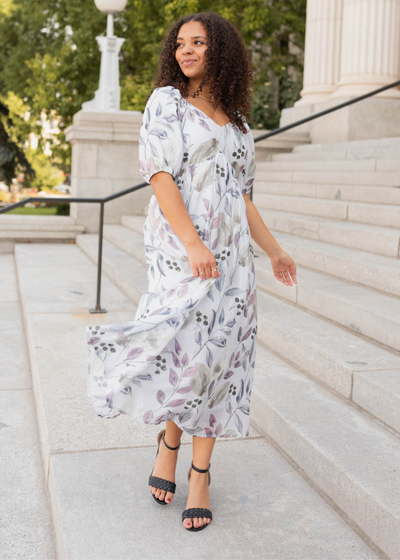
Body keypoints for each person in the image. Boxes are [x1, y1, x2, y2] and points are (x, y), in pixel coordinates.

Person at [86, 11, 297, 532]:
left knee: (222, 363)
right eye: (180, 43)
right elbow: (159, 175)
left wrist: (273, 251)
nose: (186, 51)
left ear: (220, 50)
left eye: (199, 42)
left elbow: (242, 197)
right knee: (182, 354)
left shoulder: (240, 124)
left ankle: (199, 475)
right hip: (183, 254)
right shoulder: (167, 103)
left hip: (234, 263)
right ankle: (168, 443)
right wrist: (192, 243)